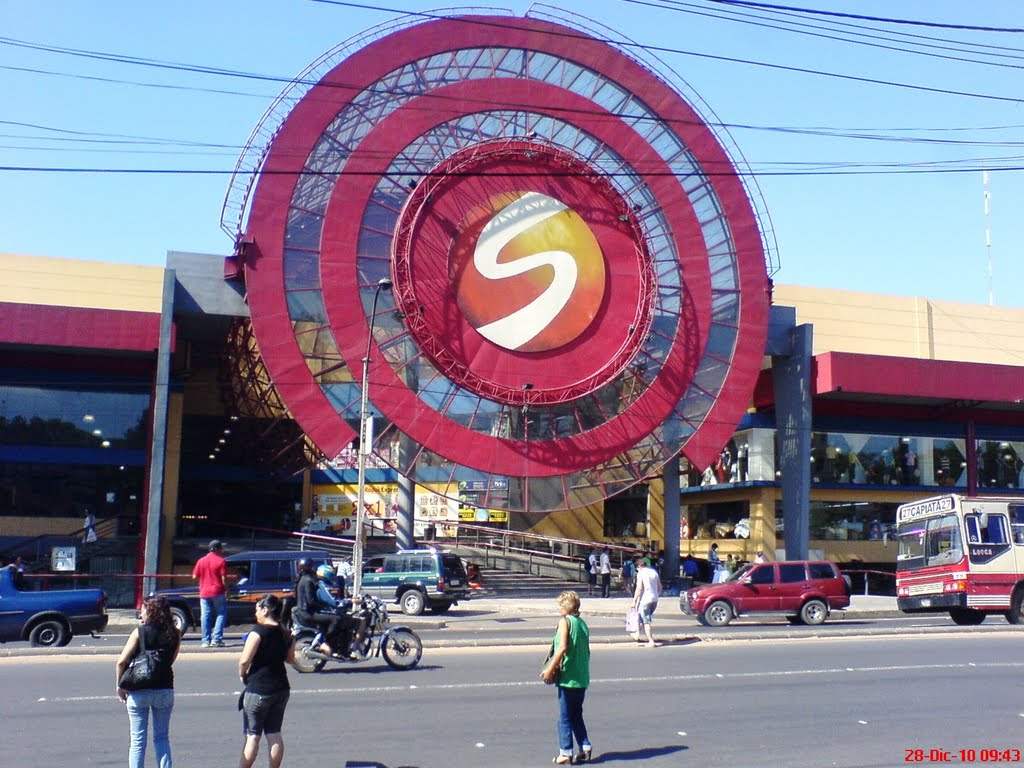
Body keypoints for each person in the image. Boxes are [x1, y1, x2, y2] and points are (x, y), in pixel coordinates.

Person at [115, 595, 181, 768]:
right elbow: (170, 660)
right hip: (165, 689)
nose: (140, 615)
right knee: (162, 738)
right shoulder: (175, 633)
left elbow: (122, 661)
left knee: (137, 740)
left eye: (143, 610)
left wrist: (120, 685)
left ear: (151, 611)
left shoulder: (140, 632)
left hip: (139, 690)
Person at [238, 594, 296, 768]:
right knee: (274, 733)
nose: (255, 613)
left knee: (252, 735)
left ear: (265, 610)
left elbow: (244, 660)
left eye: (257, 609)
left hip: (259, 688)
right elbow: (290, 659)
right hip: (281, 687)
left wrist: (242, 674)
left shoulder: (257, 632)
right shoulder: (286, 632)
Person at [540, 590, 592, 765]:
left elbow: (562, 648)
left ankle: (565, 752)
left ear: (569, 607)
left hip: (569, 677)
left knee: (564, 717)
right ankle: (585, 747)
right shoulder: (582, 623)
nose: (558, 608)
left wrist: (549, 670)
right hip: (582, 677)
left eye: (561, 605)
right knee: (576, 714)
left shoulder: (565, 622)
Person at [292, 559, 352, 659]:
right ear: (310, 568)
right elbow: (310, 601)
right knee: (336, 619)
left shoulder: (303, 579)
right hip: (308, 614)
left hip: (305, 612)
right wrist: (323, 606)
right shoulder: (308, 581)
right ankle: (328, 643)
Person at [191, 539, 228, 647]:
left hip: (204, 591)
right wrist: (228, 591)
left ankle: (205, 641)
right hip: (218, 591)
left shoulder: (201, 561)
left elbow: (194, 576)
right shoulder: (221, 561)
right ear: (217, 549)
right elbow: (224, 579)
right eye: (221, 547)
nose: (222, 549)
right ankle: (216, 640)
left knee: (205, 616)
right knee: (221, 614)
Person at [631, 557, 661, 647]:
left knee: (646, 621)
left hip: (645, 600)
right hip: (654, 599)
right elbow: (660, 586)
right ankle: (636, 634)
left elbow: (639, 588)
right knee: (641, 616)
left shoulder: (641, 573)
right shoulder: (654, 572)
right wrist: (655, 594)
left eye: (637, 568)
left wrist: (634, 601)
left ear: (639, 567)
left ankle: (651, 641)